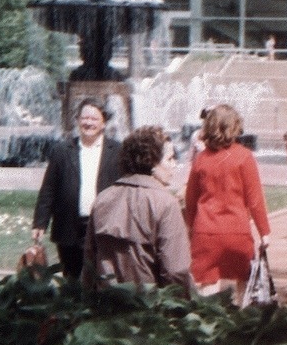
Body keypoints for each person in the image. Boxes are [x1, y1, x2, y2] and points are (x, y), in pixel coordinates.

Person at [82, 126, 192, 291]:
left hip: (107, 303)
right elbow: (176, 270)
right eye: (170, 159)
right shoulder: (166, 203)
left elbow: (89, 262)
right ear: (152, 163)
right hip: (148, 307)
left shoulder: (103, 199)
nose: (174, 165)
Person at [183, 104, 271, 300]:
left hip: (206, 232)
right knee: (244, 285)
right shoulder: (244, 157)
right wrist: (264, 231)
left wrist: (191, 226)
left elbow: (191, 199)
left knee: (207, 285)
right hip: (237, 231)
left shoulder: (201, 159)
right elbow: (254, 199)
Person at [32, 97, 121, 279]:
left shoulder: (117, 151)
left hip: (102, 226)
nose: (88, 123)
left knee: (101, 278)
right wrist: (40, 222)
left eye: (94, 119)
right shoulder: (62, 151)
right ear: (78, 120)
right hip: (69, 226)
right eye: (84, 118)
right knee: (71, 278)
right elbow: (49, 188)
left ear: (103, 123)